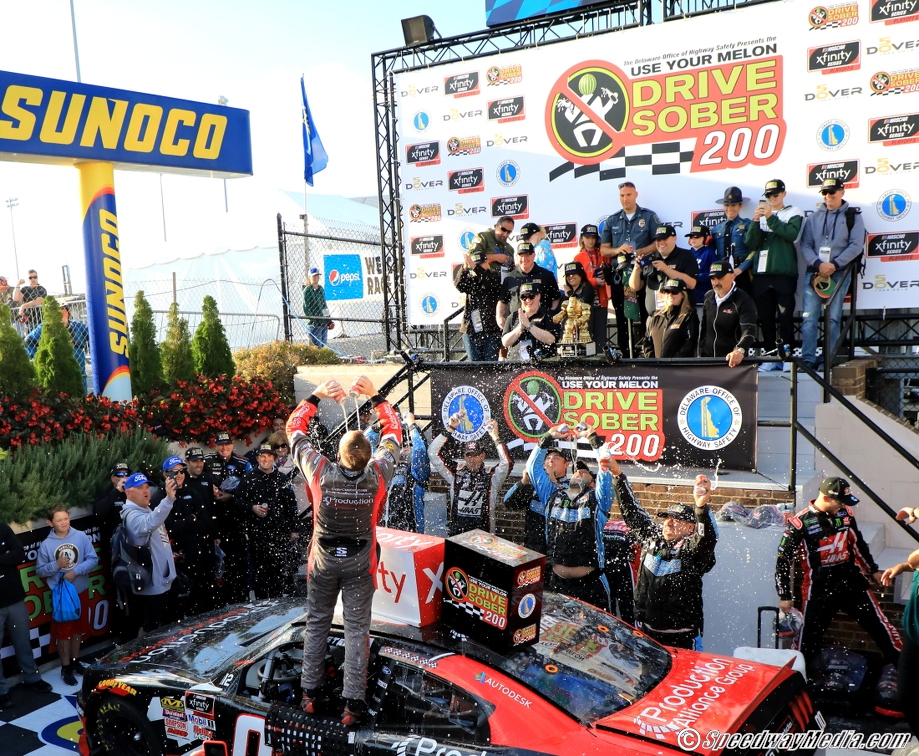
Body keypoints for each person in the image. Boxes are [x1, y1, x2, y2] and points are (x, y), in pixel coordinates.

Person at [288, 375, 402, 726]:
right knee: (356, 631)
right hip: (359, 564)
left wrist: (317, 396)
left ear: (336, 455)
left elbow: (294, 430)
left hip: (322, 563)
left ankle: (309, 695)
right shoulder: (379, 473)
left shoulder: (319, 470)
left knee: (318, 623)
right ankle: (353, 706)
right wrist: (377, 397)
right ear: (369, 457)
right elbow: (394, 435)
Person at [775, 477, 901, 676]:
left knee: (883, 629)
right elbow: (783, 559)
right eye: (840, 502)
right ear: (825, 497)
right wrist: (784, 595)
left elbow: (857, 543)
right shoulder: (799, 523)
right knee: (804, 644)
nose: (842, 506)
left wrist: (872, 569)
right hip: (818, 588)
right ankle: (797, 684)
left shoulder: (846, 513)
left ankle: (909, 673)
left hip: (851, 582)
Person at [610, 461, 717, 649]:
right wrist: (618, 475)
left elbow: (706, 539)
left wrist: (700, 507)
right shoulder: (652, 538)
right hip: (645, 634)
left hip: (682, 639)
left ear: (690, 527)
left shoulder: (692, 550)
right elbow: (632, 512)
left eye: (676, 520)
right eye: (667, 518)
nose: (669, 523)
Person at [525, 423, 613, 612]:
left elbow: (606, 466)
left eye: (585, 472)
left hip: (591, 584)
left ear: (593, 483)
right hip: (558, 583)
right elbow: (533, 468)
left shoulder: (599, 499)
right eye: (577, 470)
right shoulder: (553, 494)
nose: (579, 472)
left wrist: (593, 439)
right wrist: (548, 436)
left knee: (598, 638)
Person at [799, 178, 866, 370]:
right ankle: (808, 359)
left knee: (833, 317)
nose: (829, 196)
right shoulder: (813, 218)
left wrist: (834, 264)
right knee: (809, 316)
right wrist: (819, 264)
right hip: (815, 272)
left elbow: (855, 245)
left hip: (838, 271)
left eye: (832, 191)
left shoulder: (854, 215)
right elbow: (805, 244)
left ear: (842, 192)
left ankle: (828, 358)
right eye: (825, 192)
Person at [35, 503, 99, 686]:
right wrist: (56, 565)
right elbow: (40, 571)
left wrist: (76, 571)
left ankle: (74, 661)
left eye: (66, 518)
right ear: (50, 523)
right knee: (64, 632)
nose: (64, 522)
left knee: (78, 628)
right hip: (61, 596)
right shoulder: (47, 545)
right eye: (59, 520)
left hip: (80, 591)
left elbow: (93, 559)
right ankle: (65, 667)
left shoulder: (80, 536)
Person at [744, 179, 804, 371]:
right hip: (761, 274)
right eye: (769, 196)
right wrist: (755, 222)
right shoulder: (761, 214)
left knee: (785, 317)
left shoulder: (794, 212)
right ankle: (771, 357)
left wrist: (770, 217)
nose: (772, 198)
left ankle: (786, 357)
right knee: (765, 319)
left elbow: (791, 234)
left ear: (784, 194)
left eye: (775, 195)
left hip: (783, 273)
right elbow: (750, 243)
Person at [599, 181, 662, 355]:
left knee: (645, 312)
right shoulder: (612, 220)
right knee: (621, 315)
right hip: (619, 274)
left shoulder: (649, 217)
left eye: (628, 195)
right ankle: (625, 354)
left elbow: (658, 243)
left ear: (636, 195)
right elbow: (603, 249)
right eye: (622, 195)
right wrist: (618, 250)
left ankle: (647, 352)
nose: (625, 199)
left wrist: (639, 251)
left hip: (642, 273)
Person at [0, 521, 53, 710]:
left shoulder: (2, 527)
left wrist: (6, 557)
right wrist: (5, 556)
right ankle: (2, 691)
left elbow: (19, 554)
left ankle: (32, 678)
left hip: (15, 598)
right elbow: (12, 556)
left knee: (23, 641)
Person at [157, 455, 218, 617]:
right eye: (173, 472)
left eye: (181, 471)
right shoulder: (160, 497)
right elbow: (168, 527)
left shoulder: (194, 493)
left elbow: (204, 522)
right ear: (165, 475)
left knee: (202, 596)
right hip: (174, 558)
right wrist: (190, 519)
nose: (178, 475)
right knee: (179, 601)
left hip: (197, 552)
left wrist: (183, 524)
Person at [429, 417, 510, 537]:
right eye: (468, 455)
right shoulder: (455, 472)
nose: (472, 459)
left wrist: (495, 437)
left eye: (475, 455)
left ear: (482, 456)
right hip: (457, 535)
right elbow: (432, 453)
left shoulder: (492, 476)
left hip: (483, 537)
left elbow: (507, 462)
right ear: (464, 457)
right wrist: (450, 428)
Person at [238, 443, 299, 599]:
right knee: (259, 573)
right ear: (258, 458)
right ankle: (262, 605)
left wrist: (294, 529)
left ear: (274, 458)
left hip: (279, 533)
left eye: (269, 456)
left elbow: (291, 505)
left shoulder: (282, 478)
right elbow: (237, 501)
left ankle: (277, 603)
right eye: (262, 456)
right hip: (257, 534)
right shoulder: (248, 478)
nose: (265, 460)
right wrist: (252, 507)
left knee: (278, 571)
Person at [121, 472, 177, 637]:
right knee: (153, 632)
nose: (146, 491)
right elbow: (149, 523)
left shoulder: (145, 509)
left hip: (163, 581)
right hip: (152, 586)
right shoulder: (132, 515)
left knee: (165, 628)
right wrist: (168, 500)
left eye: (147, 487)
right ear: (128, 492)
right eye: (139, 488)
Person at [882, 506, 919, 737]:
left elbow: (915, 558)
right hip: (914, 636)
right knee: (906, 696)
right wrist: (903, 567)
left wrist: (910, 562)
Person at [204, 432, 251, 604]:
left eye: (227, 444)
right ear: (215, 446)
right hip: (215, 519)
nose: (224, 448)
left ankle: (241, 597)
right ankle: (220, 600)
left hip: (236, 518)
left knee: (238, 560)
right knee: (218, 561)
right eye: (220, 444)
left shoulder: (243, 462)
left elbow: (249, 488)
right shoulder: (207, 461)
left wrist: (232, 497)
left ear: (232, 445)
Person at [629, 224, 699, 322]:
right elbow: (634, 287)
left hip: (679, 317)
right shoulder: (650, 258)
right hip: (654, 318)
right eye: (658, 240)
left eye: (664, 239)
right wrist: (636, 268)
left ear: (675, 238)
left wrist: (667, 270)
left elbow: (691, 284)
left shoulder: (686, 256)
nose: (661, 242)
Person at [699, 260, 758, 367]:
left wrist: (739, 350)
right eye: (712, 278)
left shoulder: (743, 299)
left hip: (732, 362)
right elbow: (704, 329)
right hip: (707, 361)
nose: (716, 282)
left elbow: (749, 330)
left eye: (720, 278)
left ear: (732, 276)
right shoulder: (708, 296)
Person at [497, 242, 561, 331]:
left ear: (534, 255)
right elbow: (502, 300)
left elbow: (556, 298)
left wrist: (550, 315)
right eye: (521, 255)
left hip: (541, 324)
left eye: (527, 255)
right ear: (517, 257)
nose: (524, 259)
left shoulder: (546, 275)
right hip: (517, 324)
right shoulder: (509, 277)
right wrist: (499, 316)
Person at [24, 303, 90, 390]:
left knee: (80, 391)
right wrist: (36, 356)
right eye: (56, 309)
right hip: (55, 368)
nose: (60, 312)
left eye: (62, 308)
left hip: (78, 368)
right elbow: (29, 340)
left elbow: (92, 334)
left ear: (68, 312)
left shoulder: (77, 326)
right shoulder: (45, 327)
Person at [383, 411, 430, 533]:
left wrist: (412, 425)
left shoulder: (418, 473)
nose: (405, 448)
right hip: (388, 533)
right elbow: (367, 444)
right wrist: (379, 426)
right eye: (402, 445)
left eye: (409, 445)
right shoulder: (387, 469)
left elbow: (419, 449)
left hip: (412, 534)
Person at [454, 247, 503, 362]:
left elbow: (489, 281)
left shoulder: (495, 277)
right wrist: (465, 268)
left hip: (491, 330)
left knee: (490, 365)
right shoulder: (472, 280)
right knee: (474, 366)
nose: (478, 268)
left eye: (481, 265)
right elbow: (459, 285)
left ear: (487, 263)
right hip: (472, 330)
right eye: (476, 266)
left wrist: (475, 267)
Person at [709, 186, 754, 294]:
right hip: (721, 274)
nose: (730, 209)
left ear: (740, 206)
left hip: (742, 273)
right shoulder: (716, 229)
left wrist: (740, 269)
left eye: (733, 205)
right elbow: (710, 253)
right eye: (726, 205)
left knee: (743, 303)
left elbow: (754, 250)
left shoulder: (748, 225)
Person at [500, 282, 560, 361]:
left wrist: (529, 325)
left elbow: (551, 339)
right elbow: (505, 342)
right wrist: (520, 328)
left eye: (531, 296)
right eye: (524, 297)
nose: (528, 300)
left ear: (538, 296)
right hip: (517, 363)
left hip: (542, 362)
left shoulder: (548, 315)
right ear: (520, 299)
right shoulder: (513, 317)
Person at [641, 278, 699, 358]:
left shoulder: (688, 315)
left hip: (679, 368)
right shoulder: (656, 316)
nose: (670, 295)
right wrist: (653, 361)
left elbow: (689, 344)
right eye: (667, 292)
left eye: (674, 292)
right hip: (656, 367)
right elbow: (647, 341)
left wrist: (673, 362)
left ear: (683, 294)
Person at [573, 224, 610, 347]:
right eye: (587, 237)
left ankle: (601, 363)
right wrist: (593, 281)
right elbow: (575, 281)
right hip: (585, 303)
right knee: (586, 336)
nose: (591, 241)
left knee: (600, 336)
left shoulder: (603, 255)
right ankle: (588, 364)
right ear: (582, 238)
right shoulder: (578, 258)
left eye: (593, 238)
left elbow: (610, 273)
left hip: (601, 301)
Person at [502, 469, 546, 554]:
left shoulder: (567, 487)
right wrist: (523, 482)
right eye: (548, 459)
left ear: (566, 464)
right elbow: (509, 503)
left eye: (556, 458)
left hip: (559, 551)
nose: (550, 462)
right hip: (533, 546)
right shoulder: (534, 486)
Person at [560, 261, 598, 340]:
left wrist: (570, 293)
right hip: (568, 330)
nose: (570, 277)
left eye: (573, 274)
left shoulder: (587, 287)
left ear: (580, 274)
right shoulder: (567, 291)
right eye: (568, 275)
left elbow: (580, 306)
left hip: (584, 328)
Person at [685, 225, 716, 309]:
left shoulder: (709, 253)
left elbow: (714, 274)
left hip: (705, 295)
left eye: (697, 237)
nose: (693, 239)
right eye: (691, 237)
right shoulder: (686, 254)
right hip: (689, 297)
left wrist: (696, 276)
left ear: (706, 238)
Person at [302, 266, 330, 349]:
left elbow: (324, 305)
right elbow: (306, 308)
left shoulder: (321, 289)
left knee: (324, 346)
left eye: (317, 276)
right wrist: (314, 320)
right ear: (309, 277)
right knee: (317, 347)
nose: (316, 278)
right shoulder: (307, 290)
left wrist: (328, 319)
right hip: (314, 323)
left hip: (323, 322)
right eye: (313, 276)